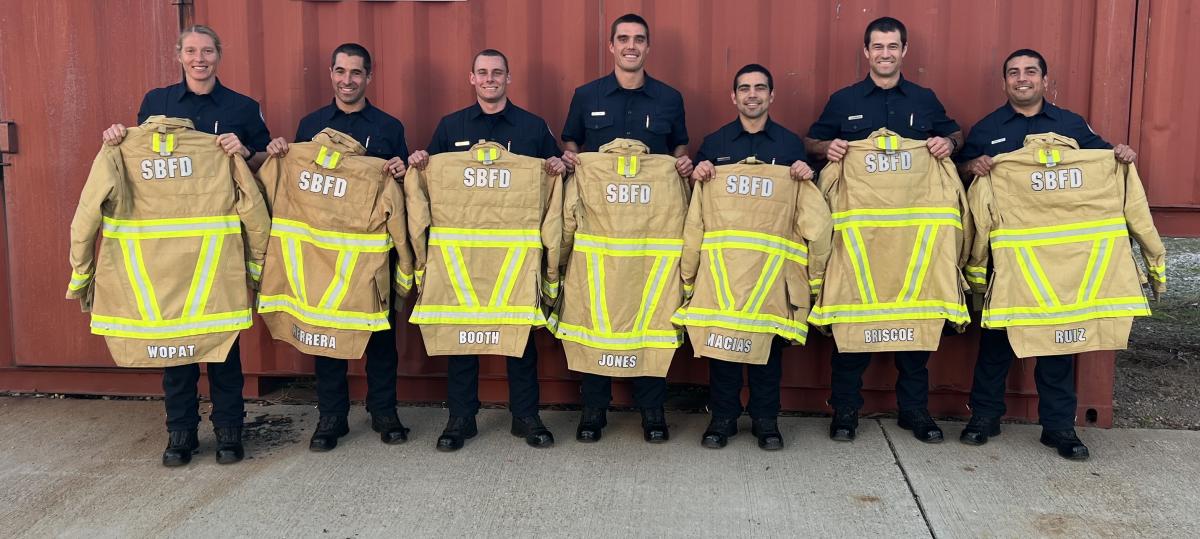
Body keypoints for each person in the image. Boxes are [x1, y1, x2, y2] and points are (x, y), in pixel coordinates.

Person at [100, 25, 271, 466]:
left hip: (217, 252)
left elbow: (264, 162)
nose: (200, 58)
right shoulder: (155, 103)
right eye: (192, 51)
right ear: (179, 55)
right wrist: (120, 136)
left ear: (219, 55)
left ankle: (230, 432)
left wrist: (245, 149)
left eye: (208, 51)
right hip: (168, 252)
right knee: (174, 346)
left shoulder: (242, 107)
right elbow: (139, 162)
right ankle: (180, 434)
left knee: (223, 347)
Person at [955, 48, 1136, 460]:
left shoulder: (1070, 125)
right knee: (996, 343)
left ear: (1044, 80)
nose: (1022, 78)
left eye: (1030, 72)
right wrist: (974, 167)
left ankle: (1058, 429)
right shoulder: (986, 128)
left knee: (1056, 346)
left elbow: (1101, 162)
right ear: (1004, 83)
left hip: (1059, 262)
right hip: (1012, 261)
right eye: (1014, 73)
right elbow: (962, 172)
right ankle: (984, 418)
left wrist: (1120, 157)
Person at [804, 16, 963, 444]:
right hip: (860, 241)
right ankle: (845, 413)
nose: (885, 53)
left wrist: (948, 144)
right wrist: (828, 147)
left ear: (904, 51)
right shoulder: (843, 101)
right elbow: (811, 143)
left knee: (914, 324)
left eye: (893, 46)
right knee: (852, 323)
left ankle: (915, 412)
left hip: (912, 243)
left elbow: (955, 136)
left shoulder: (925, 100)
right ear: (866, 52)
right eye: (878, 47)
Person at [408, 49, 564, 451]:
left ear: (508, 78)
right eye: (482, 72)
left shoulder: (532, 127)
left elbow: (555, 180)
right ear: (471, 78)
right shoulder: (450, 126)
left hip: (515, 259)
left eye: (497, 72)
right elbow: (430, 179)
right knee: (463, 339)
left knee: (520, 339)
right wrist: (423, 160)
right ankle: (461, 418)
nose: (490, 78)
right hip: (463, 260)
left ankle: (525, 416)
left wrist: (559, 167)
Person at [264, 43, 412, 452]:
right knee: (324, 336)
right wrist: (280, 154)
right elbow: (296, 185)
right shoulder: (310, 124)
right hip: (321, 256)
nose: (348, 80)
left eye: (356, 73)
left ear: (369, 77)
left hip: (369, 256)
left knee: (379, 338)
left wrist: (399, 171)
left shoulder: (388, 127)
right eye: (341, 72)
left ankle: (384, 412)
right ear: (331, 73)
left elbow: (401, 191)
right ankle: (332, 416)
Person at [559, 13, 693, 444]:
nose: (631, 46)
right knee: (595, 315)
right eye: (623, 39)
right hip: (599, 235)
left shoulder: (670, 98)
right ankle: (593, 409)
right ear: (612, 46)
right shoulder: (586, 95)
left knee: (652, 315)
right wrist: (571, 163)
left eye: (638, 39)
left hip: (650, 235)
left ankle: (652, 410)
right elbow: (572, 146)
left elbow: (680, 150)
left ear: (647, 47)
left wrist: (684, 164)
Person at [690, 63, 813, 450]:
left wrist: (805, 172)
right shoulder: (715, 144)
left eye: (760, 88)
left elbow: (805, 203)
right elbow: (700, 202)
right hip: (725, 272)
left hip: (771, 271)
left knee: (768, 353)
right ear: (734, 96)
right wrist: (701, 170)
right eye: (745, 88)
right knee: (723, 348)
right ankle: (722, 419)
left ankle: (766, 422)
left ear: (772, 95)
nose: (753, 94)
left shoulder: (790, 145)